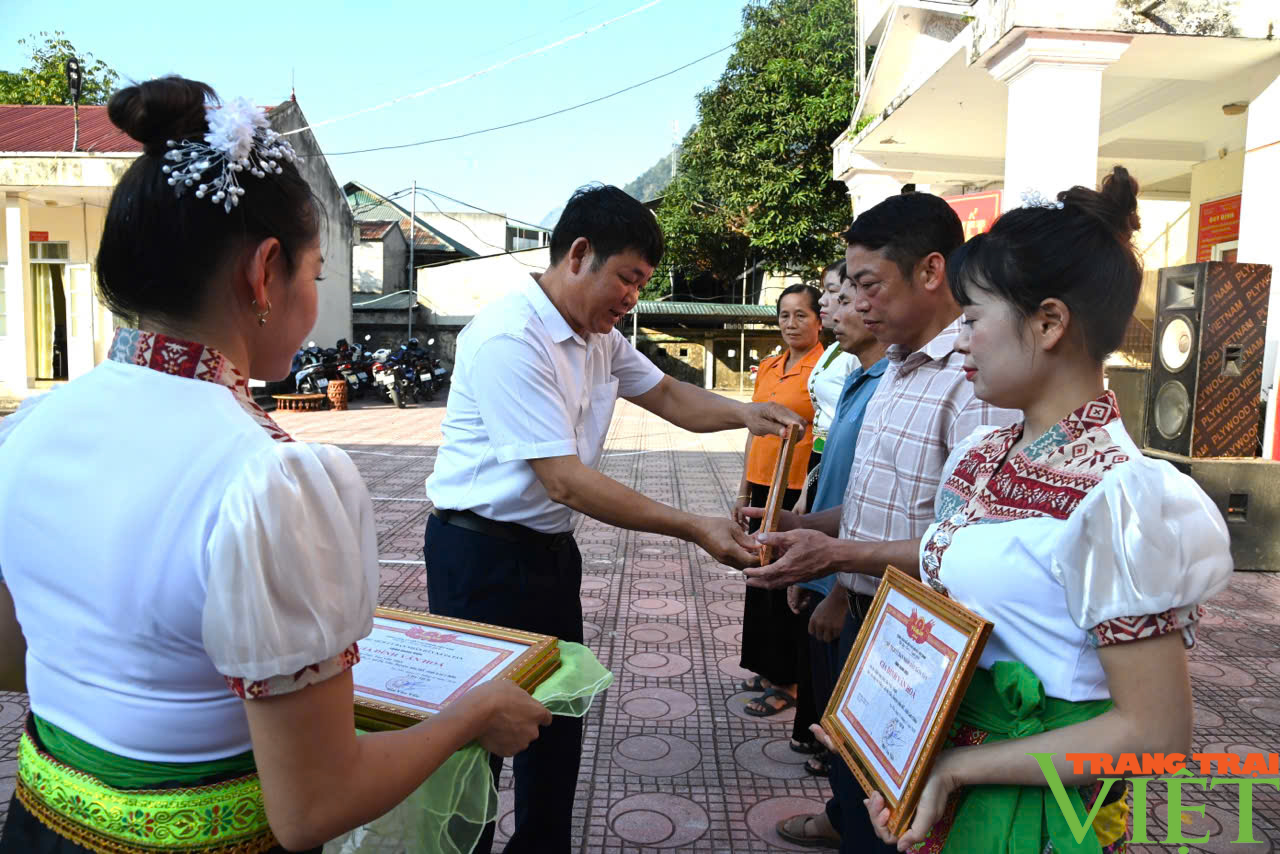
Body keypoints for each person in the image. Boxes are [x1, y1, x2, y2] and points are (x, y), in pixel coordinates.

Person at [0, 77, 551, 854]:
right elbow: (315, 806)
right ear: (264, 274)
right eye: (317, 273)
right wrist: (472, 716)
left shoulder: (29, 430)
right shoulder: (267, 480)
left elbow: (17, 659)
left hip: (36, 824)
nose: (311, 296)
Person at [811, 167, 1233, 853]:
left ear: (1048, 322)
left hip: (1038, 810)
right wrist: (881, 724)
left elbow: (1156, 736)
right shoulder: (982, 453)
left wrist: (959, 768)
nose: (963, 339)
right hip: (950, 777)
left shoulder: (1123, 500)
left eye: (974, 318)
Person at [423, 184, 804, 854]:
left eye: (642, 283)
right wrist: (694, 526)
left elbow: (669, 396)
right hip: (476, 558)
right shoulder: (512, 338)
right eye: (628, 278)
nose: (633, 297)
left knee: (555, 715)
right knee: (476, 734)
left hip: (546, 552)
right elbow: (566, 480)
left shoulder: (597, 336)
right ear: (578, 254)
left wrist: (748, 413)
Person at [743, 191, 1019, 853]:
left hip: (925, 633)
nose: (853, 304)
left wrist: (834, 559)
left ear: (930, 272)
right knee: (859, 778)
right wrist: (803, 524)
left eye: (866, 286)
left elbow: (968, 548)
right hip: (870, 616)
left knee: (898, 812)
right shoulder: (894, 368)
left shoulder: (972, 381)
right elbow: (874, 507)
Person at [778, 271, 888, 820]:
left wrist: (841, 589)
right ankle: (842, 815)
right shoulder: (857, 378)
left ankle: (851, 819)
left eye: (842, 297)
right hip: (834, 561)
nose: (828, 308)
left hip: (859, 581)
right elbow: (847, 483)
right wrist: (795, 522)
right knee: (836, 717)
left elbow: (901, 515)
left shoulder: (897, 383)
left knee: (858, 729)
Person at [730, 284, 823, 722]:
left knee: (786, 582)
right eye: (784, 315)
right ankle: (767, 669)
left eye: (800, 315)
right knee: (758, 577)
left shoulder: (823, 368)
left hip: (795, 491)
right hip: (762, 486)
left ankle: (788, 680)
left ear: (819, 320)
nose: (790, 323)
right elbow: (756, 431)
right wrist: (744, 489)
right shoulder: (769, 366)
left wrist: (806, 496)